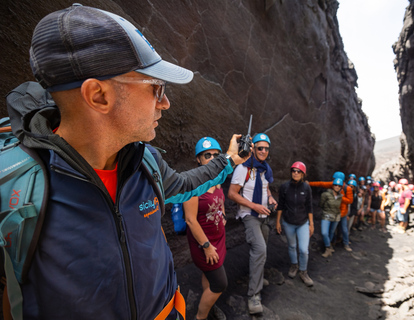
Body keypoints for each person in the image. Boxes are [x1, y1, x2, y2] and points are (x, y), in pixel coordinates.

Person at [1, 5, 250, 319]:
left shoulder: (145, 160)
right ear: (99, 96)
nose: (166, 102)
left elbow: (184, 185)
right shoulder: (15, 189)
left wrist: (229, 160)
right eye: (155, 88)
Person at [228, 133, 277, 315]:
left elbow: (266, 187)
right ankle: (254, 296)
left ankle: (258, 277)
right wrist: (254, 205)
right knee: (260, 250)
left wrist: (270, 198)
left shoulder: (264, 169)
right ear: (253, 148)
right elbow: (232, 194)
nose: (263, 151)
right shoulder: (243, 168)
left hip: (264, 215)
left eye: (266, 148)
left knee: (260, 251)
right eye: (260, 148)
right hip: (249, 215)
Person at [184, 137, 229, 320]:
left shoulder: (217, 179)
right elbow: (190, 220)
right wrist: (207, 246)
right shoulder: (192, 184)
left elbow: (220, 201)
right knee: (220, 283)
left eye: (216, 155)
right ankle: (200, 317)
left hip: (219, 238)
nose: (212, 158)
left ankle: (209, 305)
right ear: (199, 159)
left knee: (209, 276)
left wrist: (223, 215)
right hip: (204, 243)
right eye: (207, 155)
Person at [275, 162, 314, 287]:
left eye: (299, 171)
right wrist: (278, 222)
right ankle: (294, 265)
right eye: (294, 171)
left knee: (303, 250)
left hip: (303, 223)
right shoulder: (285, 187)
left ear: (303, 174)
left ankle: (303, 271)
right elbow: (280, 205)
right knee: (292, 246)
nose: (295, 173)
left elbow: (309, 207)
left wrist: (311, 224)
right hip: (288, 222)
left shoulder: (306, 188)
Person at [309, 171, 354, 252]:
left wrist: (339, 197)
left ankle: (346, 243)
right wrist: (309, 183)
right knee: (331, 230)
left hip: (342, 213)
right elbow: (321, 184)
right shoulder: (334, 184)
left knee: (343, 229)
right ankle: (329, 245)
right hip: (332, 211)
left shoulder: (347, 189)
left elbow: (350, 201)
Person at [319, 178, 344, 258]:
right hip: (326, 215)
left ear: (341, 187)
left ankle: (328, 248)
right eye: (335, 185)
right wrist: (326, 210)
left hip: (336, 217)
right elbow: (321, 204)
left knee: (331, 233)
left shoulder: (340, 196)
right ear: (333, 185)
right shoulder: (326, 194)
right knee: (324, 232)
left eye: (339, 186)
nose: (337, 187)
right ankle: (328, 247)